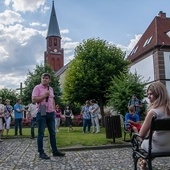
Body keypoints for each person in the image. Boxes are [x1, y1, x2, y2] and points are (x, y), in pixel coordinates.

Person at [32, 73, 65, 159]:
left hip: (50, 112)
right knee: (41, 133)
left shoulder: (51, 89)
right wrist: (44, 96)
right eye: (43, 78)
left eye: (46, 78)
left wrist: (54, 110)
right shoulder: (37, 88)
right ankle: (41, 152)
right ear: (41, 79)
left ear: (49, 80)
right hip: (42, 110)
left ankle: (55, 151)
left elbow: (52, 99)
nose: (44, 79)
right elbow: (34, 99)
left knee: (53, 133)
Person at [139, 82, 170, 169]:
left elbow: (141, 134)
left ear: (158, 94)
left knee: (143, 142)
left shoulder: (153, 112)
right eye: (148, 94)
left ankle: (143, 162)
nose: (148, 97)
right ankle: (144, 162)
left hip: (158, 146)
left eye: (151, 94)